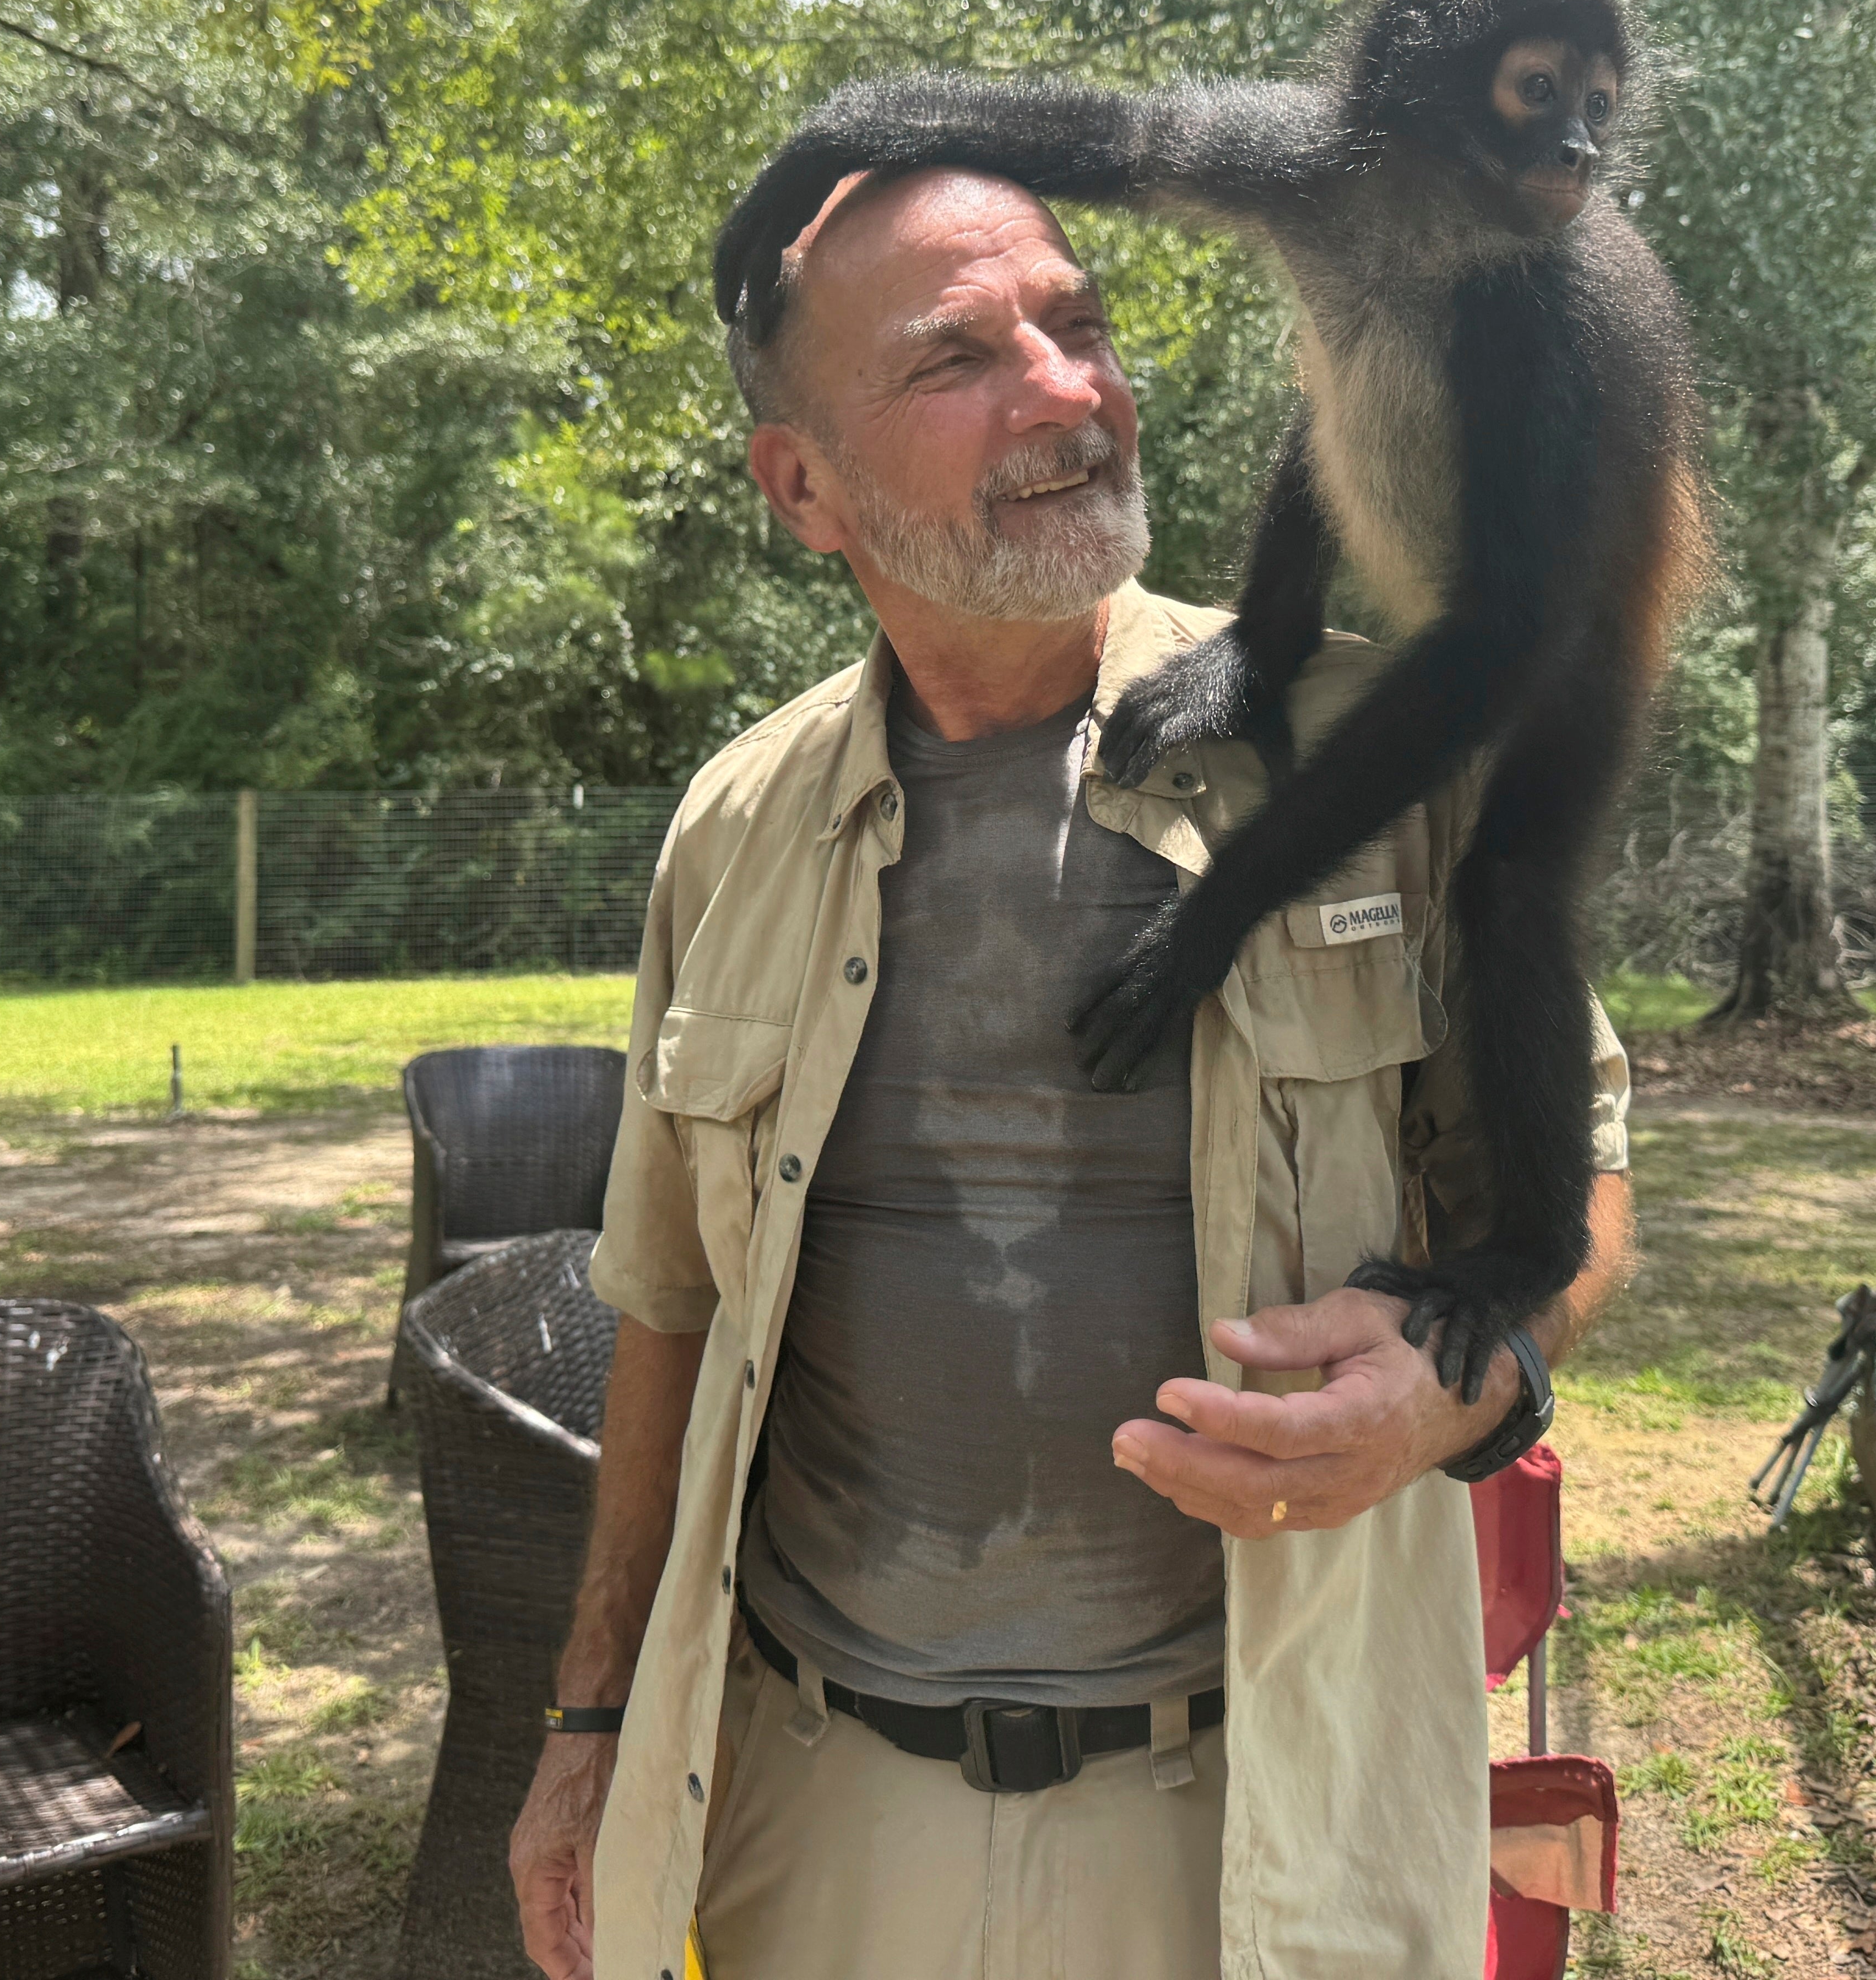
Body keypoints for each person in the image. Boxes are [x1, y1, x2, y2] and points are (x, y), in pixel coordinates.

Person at [507, 162, 1637, 1980]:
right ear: (801, 484)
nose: (1069, 389)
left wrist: (1457, 1388)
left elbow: (1577, 1190)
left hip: (1268, 1821)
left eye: (1080, 321)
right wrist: (584, 1727)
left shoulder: (1379, 750)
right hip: (820, 1813)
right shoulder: (734, 824)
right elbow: (671, 1310)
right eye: (959, 356)